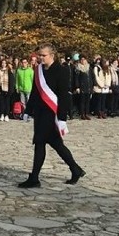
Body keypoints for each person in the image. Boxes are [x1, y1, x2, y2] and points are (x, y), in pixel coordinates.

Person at [18, 43, 85, 188]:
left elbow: (64, 96)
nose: (41, 58)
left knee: (42, 143)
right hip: (40, 113)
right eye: (39, 55)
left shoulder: (61, 71)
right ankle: (75, 169)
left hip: (52, 114)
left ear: (52, 55)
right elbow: (35, 93)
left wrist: (62, 118)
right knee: (54, 144)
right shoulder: (38, 70)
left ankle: (35, 178)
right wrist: (28, 110)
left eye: (44, 55)